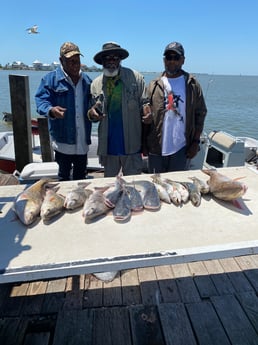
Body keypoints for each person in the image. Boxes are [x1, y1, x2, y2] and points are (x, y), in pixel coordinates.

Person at [87, 42, 151, 177]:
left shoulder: (136, 78)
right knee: (110, 187)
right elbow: (91, 113)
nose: (111, 61)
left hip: (132, 146)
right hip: (108, 147)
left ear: (120, 59)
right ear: (102, 61)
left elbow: (145, 103)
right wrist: (92, 114)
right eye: (107, 58)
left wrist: (147, 111)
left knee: (133, 186)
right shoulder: (95, 84)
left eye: (115, 58)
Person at [143, 41, 207, 173]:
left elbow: (200, 115)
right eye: (168, 57)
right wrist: (143, 143)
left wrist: (195, 142)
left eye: (176, 57)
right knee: (157, 187)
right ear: (164, 60)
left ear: (183, 60)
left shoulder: (193, 85)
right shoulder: (153, 85)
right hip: (156, 148)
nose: (171, 61)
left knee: (177, 187)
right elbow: (144, 114)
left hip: (181, 148)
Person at [35, 42, 92, 180]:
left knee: (80, 178)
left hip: (82, 141)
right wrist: (51, 110)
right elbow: (40, 101)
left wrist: (94, 113)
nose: (75, 65)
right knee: (63, 178)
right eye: (71, 61)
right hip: (63, 142)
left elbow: (93, 105)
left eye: (77, 61)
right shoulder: (50, 80)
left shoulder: (87, 81)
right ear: (61, 60)